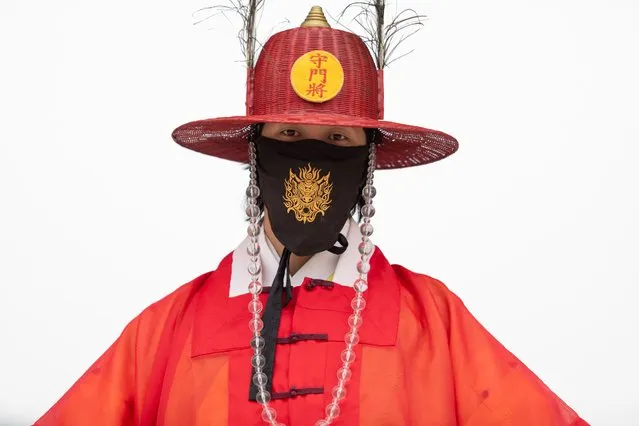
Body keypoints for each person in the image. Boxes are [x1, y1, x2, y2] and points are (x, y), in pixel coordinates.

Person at [36, 5, 588, 426]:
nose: (313, 155)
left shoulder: (434, 324)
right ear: (256, 152)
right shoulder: (165, 331)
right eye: (291, 135)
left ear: (367, 161)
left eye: (338, 139)